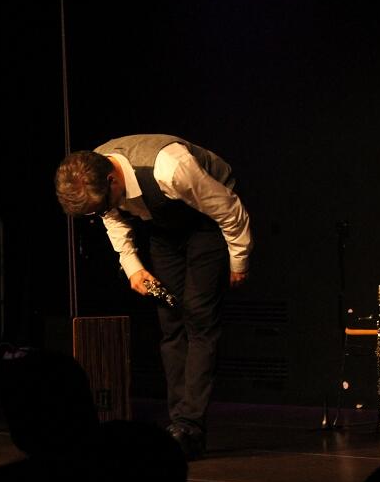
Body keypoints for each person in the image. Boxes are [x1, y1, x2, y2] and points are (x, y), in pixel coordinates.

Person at [55, 134, 252, 459]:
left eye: (101, 206)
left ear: (112, 179)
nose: (103, 212)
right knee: (171, 321)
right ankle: (179, 425)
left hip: (207, 222)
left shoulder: (171, 168)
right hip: (163, 225)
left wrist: (238, 261)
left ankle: (191, 425)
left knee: (199, 317)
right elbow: (112, 219)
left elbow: (229, 210)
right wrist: (133, 268)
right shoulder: (96, 169)